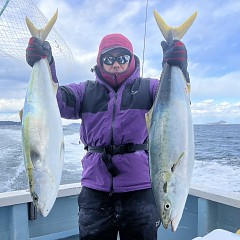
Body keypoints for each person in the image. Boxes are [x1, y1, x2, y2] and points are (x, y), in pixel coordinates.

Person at [26, 33, 189, 240]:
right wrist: (45, 62)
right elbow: (54, 100)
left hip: (140, 189)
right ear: (99, 62)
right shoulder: (85, 91)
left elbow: (179, 104)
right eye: (109, 59)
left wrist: (179, 67)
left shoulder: (150, 88)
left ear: (132, 60)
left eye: (122, 58)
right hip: (95, 190)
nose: (116, 65)